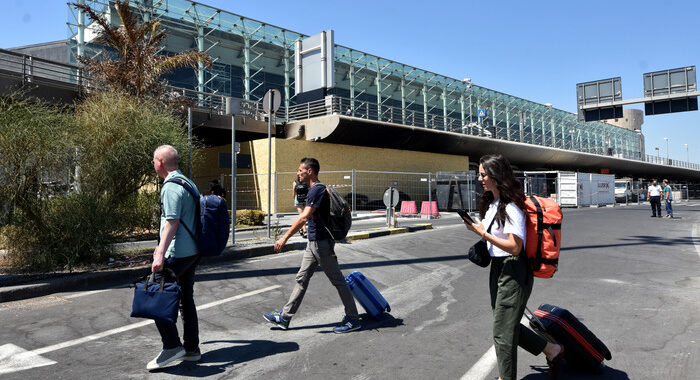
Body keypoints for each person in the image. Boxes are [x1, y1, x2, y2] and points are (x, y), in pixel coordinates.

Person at [464, 154, 564, 380]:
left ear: (496, 175)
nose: (479, 178)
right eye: (479, 174)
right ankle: (552, 350)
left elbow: (515, 247)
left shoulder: (511, 207)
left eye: (483, 174)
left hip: (514, 270)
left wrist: (483, 233)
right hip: (498, 269)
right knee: (505, 325)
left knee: (502, 332)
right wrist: (478, 229)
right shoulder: (493, 204)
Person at [264, 157, 361, 333]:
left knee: (338, 280)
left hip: (321, 244)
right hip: (314, 243)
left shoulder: (317, 190)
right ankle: (285, 318)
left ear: (309, 171)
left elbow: (304, 217)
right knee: (302, 279)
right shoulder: (314, 189)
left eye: (300, 170)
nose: (297, 173)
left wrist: (284, 238)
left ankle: (354, 319)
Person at [148, 145, 201, 370]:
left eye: (153, 160)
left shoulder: (170, 186)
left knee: (154, 296)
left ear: (160, 162)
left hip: (176, 254)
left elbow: (172, 222)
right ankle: (191, 349)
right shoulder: (188, 182)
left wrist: (159, 253)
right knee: (185, 299)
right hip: (192, 252)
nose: (153, 164)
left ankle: (171, 346)